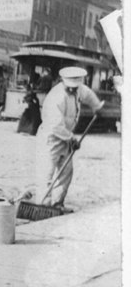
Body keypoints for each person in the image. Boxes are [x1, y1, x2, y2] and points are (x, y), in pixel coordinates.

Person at [35, 66, 103, 209]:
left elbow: (88, 94)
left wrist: (96, 106)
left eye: (75, 88)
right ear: (63, 82)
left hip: (66, 139)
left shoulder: (79, 89)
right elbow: (55, 125)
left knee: (66, 171)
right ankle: (42, 204)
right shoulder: (56, 96)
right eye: (70, 87)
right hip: (51, 138)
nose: (72, 90)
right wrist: (72, 138)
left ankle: (57, 203)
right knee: (46, 171)